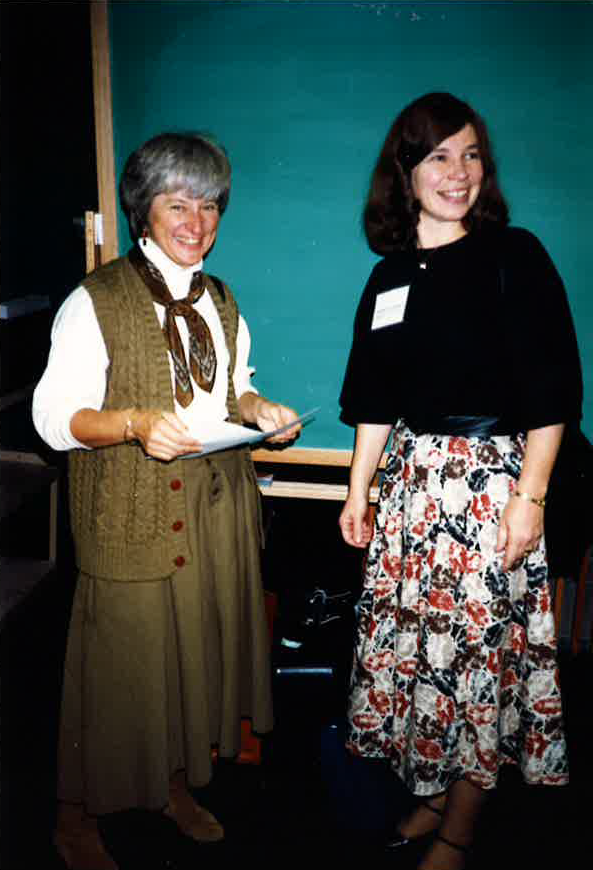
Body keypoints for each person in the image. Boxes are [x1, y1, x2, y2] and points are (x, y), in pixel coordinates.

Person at [33, 131, 300, 870]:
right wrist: (133, 424)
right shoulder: (97, 302)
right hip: (132, 514)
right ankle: (74, 817)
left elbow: (228, 390)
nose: (196, 221)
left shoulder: (220, 299)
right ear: (142, 210)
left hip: (214, 511)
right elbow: (54, 417)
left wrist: (258, 410)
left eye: (209, 204)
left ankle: (174, 786)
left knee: (193, 660)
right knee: (118, 671)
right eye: (177, 203)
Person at [338, 93, 582, 870]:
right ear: (403, 172)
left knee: (475, 662)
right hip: (412, 493)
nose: (458, 172)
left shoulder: (515, 255)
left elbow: (553, 392)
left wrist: (529, 498)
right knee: (423, 655)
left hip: (489, 491)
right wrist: (356, 491)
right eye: (438, 155)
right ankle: (439, 791)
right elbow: (372, 400)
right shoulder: (386, 279)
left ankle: (461, 826)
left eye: (471, 154)